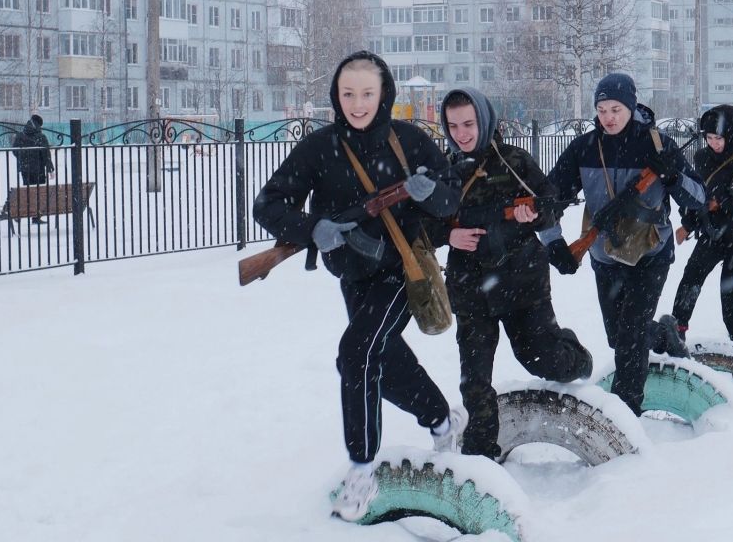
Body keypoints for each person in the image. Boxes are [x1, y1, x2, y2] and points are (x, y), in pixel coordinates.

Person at [252, 51, 464, 522]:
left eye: (367, 93)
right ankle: (442, 418)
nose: (358, 103)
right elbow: (267, 204)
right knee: (379, 360)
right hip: (352, 273)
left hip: (402, 269)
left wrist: (434, 196)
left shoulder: (410, 140)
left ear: (384, 93)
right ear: (336, 95)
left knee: (356, 353)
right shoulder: (318, 147)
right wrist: (312, 229)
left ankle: (362, 468)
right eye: (348, 93)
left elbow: (452, 196)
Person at [427, 88, 593, 460]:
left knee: (540, 359)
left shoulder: (515, 161)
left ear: (484, 121)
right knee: (475, 381)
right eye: (453, 125)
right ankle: (481, 457)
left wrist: (533, 215)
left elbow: (551, 204)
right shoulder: (444, 169)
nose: (461, 133)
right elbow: (422, 225)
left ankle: (577, 358)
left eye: (469, 124)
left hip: (522, 283)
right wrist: (448, 234)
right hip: (470, 289)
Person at [540, 73, 705, 416]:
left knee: (630, 336)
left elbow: (700, 199)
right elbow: (547, 201)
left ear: (630, 107)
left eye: (615, 109)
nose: (608, 117)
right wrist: (554, 244)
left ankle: (623, 415)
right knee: (619, 337)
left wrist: (672, 174)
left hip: (651, 253)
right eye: (601, 109)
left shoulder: (658, 145)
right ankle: (663, 336)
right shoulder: (584, 147)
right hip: (605, 256)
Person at [670, 105, 733, 342]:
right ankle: (676, 334)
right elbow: (698, 196)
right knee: (690, 282)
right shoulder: (702, 157)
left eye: (719, 138)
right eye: (709, 138)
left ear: (732, 134)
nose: (714, 143)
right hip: (712, 234)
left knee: (732, 300)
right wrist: (688, 223)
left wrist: (730, 203)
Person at [13, 114, 55, 224]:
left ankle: (20, 213)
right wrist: (50, 169)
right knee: (37, 193)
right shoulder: (40, 137)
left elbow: (14, 150)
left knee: (27, 192)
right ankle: (36, 217)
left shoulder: (20, 135)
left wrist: (23, 159)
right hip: (38, 170)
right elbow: (46, 154)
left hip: (25, 169)